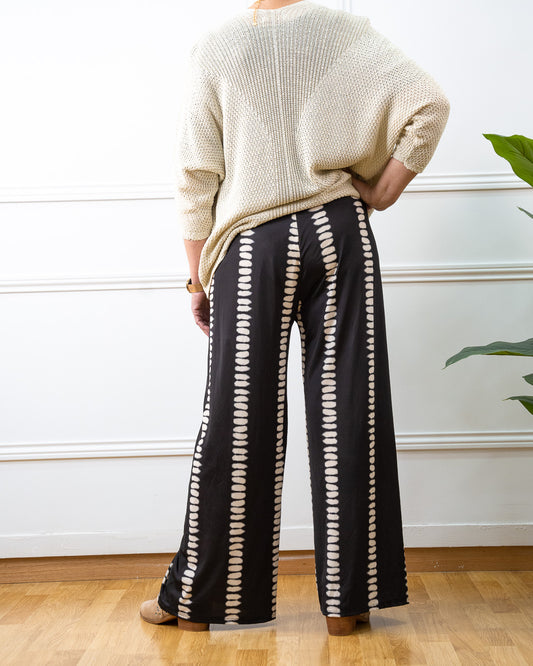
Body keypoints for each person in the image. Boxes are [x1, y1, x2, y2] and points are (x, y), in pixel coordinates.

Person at [140, 0, 450, 636]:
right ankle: (348, 603)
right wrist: (381, 191)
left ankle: (200, 601)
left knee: (237, 417)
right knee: (349, 410)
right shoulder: (345, 30)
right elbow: (430, 104)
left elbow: (197, 175)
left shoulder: (218, 46)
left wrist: (197, 278)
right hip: (338, 231)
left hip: (252, 245)